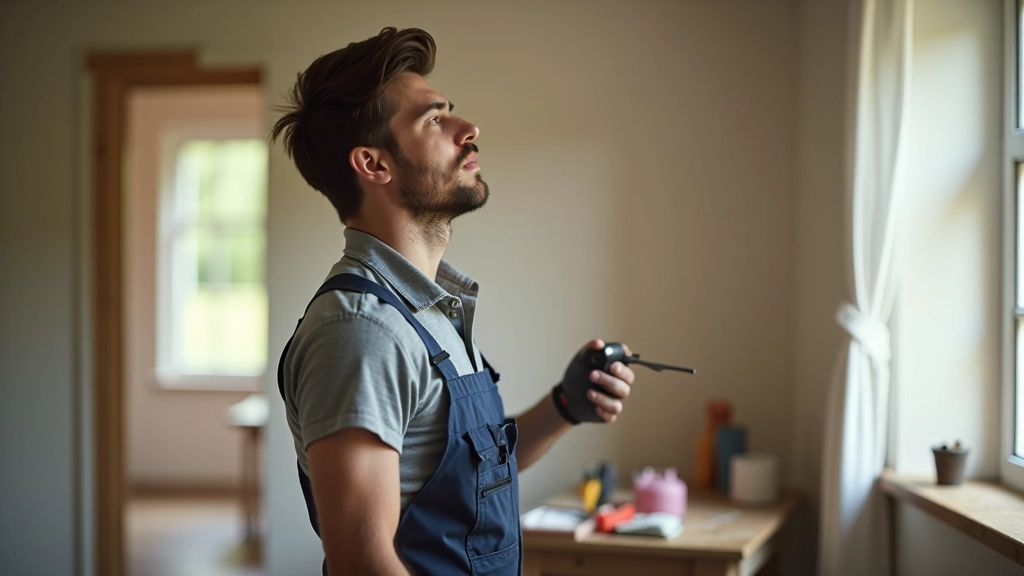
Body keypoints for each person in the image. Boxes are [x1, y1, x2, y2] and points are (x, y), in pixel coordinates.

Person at [271, 27, 635, 576]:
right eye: (434, 119)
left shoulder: (426, 311)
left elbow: (467, 472)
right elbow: (362, 563)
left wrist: (564, 406)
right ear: (374, 165)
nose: (469, 130)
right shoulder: (362, 330)